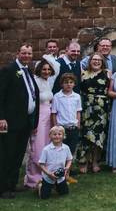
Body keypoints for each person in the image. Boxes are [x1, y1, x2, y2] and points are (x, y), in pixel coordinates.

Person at [0, 44, 40, 198]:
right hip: (10, 121)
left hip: (24, 122)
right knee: (7, 155)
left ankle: (12, 184)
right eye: (24, 53)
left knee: (17, 155)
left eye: (29, 53)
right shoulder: (8, 70)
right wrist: (1, 117)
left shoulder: (27, 71)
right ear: (18, 53)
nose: (27, 56)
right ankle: (3, 188)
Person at [24, 59, 56, 189]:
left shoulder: (48, 82)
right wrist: (33, 123)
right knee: (37, 147)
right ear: (39, 69)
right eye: (44, 69)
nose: (46, 71)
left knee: (47, 146)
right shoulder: (35, 82)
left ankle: (46, 175)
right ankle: (33, 178)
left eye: (49, 69)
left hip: (48, 117)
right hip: (38, 117)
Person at [77, 53, 110, 174]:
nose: (96, 62)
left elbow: (110, 89)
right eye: (94, 60)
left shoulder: (107, 73)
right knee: (86, 136)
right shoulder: (83, 74)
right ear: (90, 61)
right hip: (87, 108)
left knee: (99, 136)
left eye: (99, 60)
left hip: (102, 109)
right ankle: (84, 161)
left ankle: (96, 161)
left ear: (102, 62)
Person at [51, 74, 82, 169]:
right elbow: (54, 113)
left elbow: (78, 111)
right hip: (61, 129)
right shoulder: (57, 96)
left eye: (71, 82)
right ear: (61, 84)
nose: (68, 85)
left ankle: (67, 172)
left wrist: (78, 123)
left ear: (74, 84)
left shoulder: (76, 96)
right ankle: (59, 171)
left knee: (71, 151)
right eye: (66, 82)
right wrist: (55, 126)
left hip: (73, 127)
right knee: (60, 150)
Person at [37, 126, 72, 200]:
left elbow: (69, 159)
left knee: (64, 193)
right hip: (48, 176)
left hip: (60, 176)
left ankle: (59, 185)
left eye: (59, 134)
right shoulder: (46, 149)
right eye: (54, 134)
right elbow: (41, 164)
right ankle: (41, 184)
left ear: (63, 136)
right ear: (50, 136)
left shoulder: (66, 148)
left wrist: (67, 168)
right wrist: (49, 174)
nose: (57, 136)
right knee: (44, 197)